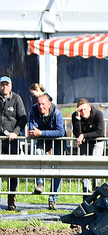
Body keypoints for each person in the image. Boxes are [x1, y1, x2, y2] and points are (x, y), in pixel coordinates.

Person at [28, 93, 65, 210]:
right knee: (39, 156)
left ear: (49, 104)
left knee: (56, 171)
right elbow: (31, 128)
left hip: (58, 142)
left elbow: (60, 132)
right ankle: (40, 183)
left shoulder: (57, 113)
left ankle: (52, 199)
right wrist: (38, 133)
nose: (40, 107)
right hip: (42, 140)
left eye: (43, 104)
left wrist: (41, 133)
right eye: (39, 104)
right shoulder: (34, 109)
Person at [0, 76, 28, 211]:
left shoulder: (17, 99)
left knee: (12, 171)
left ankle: (11, 200)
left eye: (6, 84)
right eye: (2, 85)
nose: (4, 87)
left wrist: (16, 132)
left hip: (12, 140)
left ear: (11, 86)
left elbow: (23, 118)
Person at [72, 98, 105, 192]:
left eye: (84, 109)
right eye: (80, 110)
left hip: (97, 142)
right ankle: (86, 192)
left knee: (95, 162)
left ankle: (96, 187)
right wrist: (77, 118)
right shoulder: (76, 116)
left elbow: (100, 132)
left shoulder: (98, 114)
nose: (83, 112)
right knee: (84, 166)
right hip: (84, 143)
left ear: (89, 108)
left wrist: (84, 135)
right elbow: (77, 133)